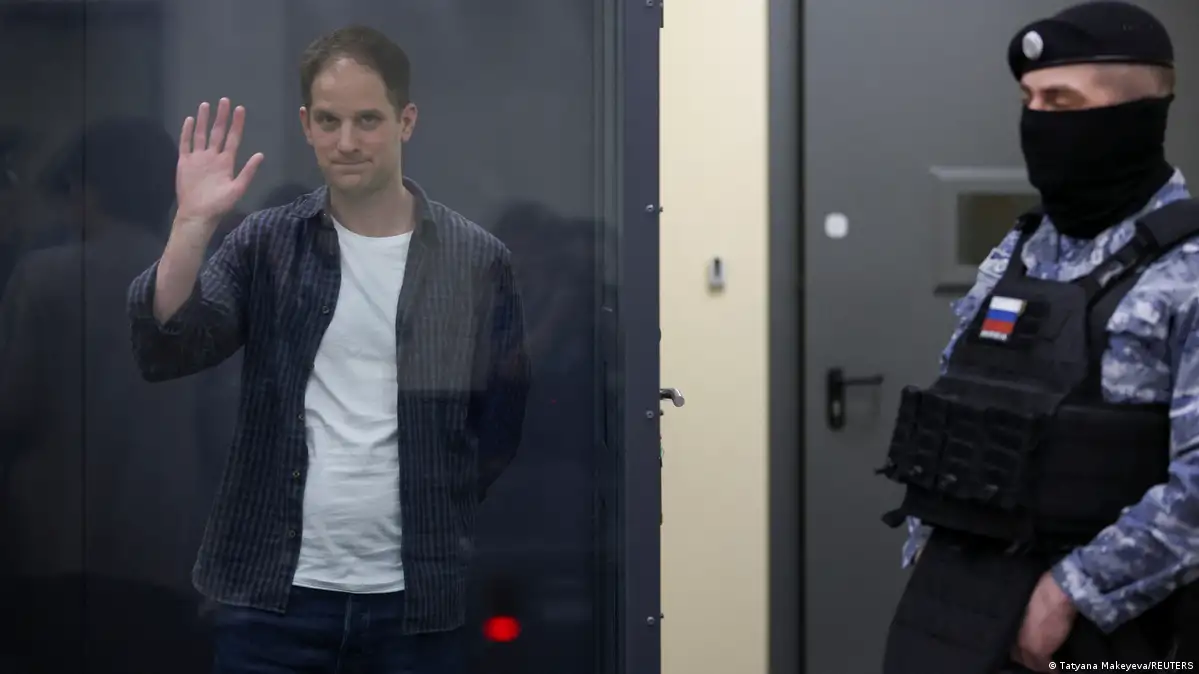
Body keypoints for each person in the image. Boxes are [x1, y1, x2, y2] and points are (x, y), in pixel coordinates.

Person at [125, 24, 531, 674]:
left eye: (367, 120)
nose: (346, 141)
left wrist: (436, 501)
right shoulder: (268, 243)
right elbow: (168, 347)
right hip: (271, 594)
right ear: (306, 125)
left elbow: (499, 426)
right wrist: (192, 224)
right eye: (329, 120)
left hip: (414, 600)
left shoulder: (474, 258)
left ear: (405, 121)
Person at [875, 2, 1199, 672]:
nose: (1037, 121)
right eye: (1029, 100)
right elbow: (966, 407)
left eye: (1061, 101)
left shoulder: (1186, 267)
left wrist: (1069, 593)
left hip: (1116, 626)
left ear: (1137, 113)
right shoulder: (1019, 250)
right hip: (962, 609)